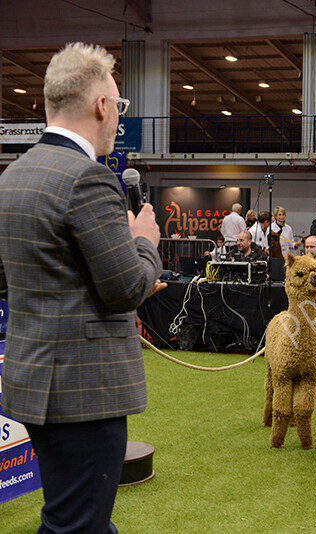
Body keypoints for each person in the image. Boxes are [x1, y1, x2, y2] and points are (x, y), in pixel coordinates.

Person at [0, 42, 164, 533]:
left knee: (81, 518)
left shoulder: (13, 175)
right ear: (101, 105)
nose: (118, 116)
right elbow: (126, 289)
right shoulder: (87, 178)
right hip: (83, 391)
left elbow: (35, 278)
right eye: (119, 104)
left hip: (35, 381)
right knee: (77, 525)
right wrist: (145, 243)